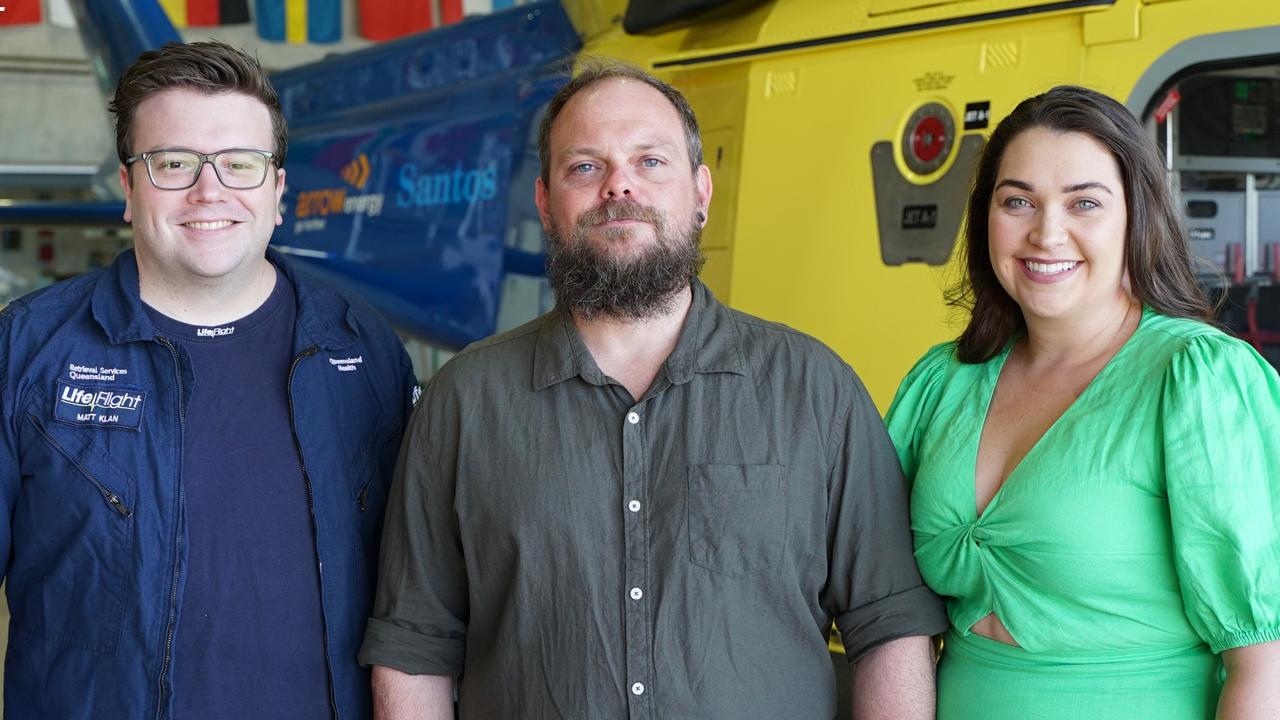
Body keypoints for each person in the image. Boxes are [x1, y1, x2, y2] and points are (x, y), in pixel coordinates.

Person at [360, 60, 947, 719]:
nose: (619, 187)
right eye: (586, 166)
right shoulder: (465, 403)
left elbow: (889, 627)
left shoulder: (815, 389)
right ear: (546, 204)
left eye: (650, 162)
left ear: (700, 193)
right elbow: (414, 647)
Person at [0, 41, 416, 719]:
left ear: (278, 192)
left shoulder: (364, 351)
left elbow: (420, 600)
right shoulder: (26, 351)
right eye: (173, 163)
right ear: (129, 189)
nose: (210, 191)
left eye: (240, 165)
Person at [885, 85, 1280, 719]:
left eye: (1084, 203)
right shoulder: (944, 380)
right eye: (1018, 201)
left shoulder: (1198, 377)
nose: (1046, 233)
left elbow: (1266, 665)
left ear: (1137, 217)